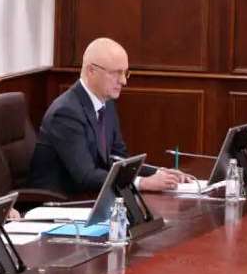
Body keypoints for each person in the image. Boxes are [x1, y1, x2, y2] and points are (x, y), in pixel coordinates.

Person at [27, 37, 192, 196]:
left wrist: (159, 173)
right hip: (60, 202)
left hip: (92, 196)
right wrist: (142, 183)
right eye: (116, 73)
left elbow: (119, 159)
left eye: (125, 73)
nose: (123, 81)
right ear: (91, 71)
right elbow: (86, 176)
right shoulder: (66, 113)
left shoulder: (106, 103)